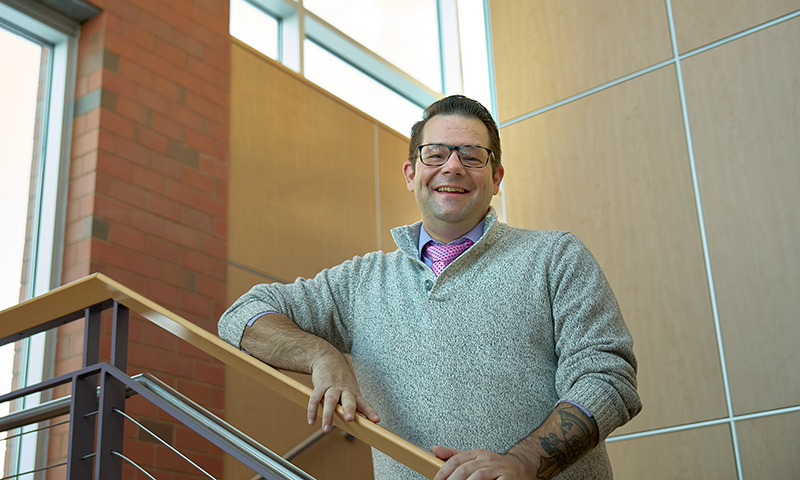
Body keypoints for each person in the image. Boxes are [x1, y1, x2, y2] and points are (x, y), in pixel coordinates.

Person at [218, 95, 641, 480]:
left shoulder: (555, 256)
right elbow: (242, 316)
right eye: (435, 154)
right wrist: (320, 355)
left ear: (496, 178)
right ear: (411, 173)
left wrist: (522, 462)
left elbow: (608, 379)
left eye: (472, 156)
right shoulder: (361, 282)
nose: (452, 166)